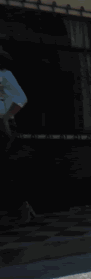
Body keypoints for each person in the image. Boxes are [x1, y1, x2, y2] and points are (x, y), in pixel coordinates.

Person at [1, 47, 32, 223]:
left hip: (3, 125)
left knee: (6, 166)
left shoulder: (5, 75)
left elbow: (21, 98)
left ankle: (21, 208)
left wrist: (6, 116)